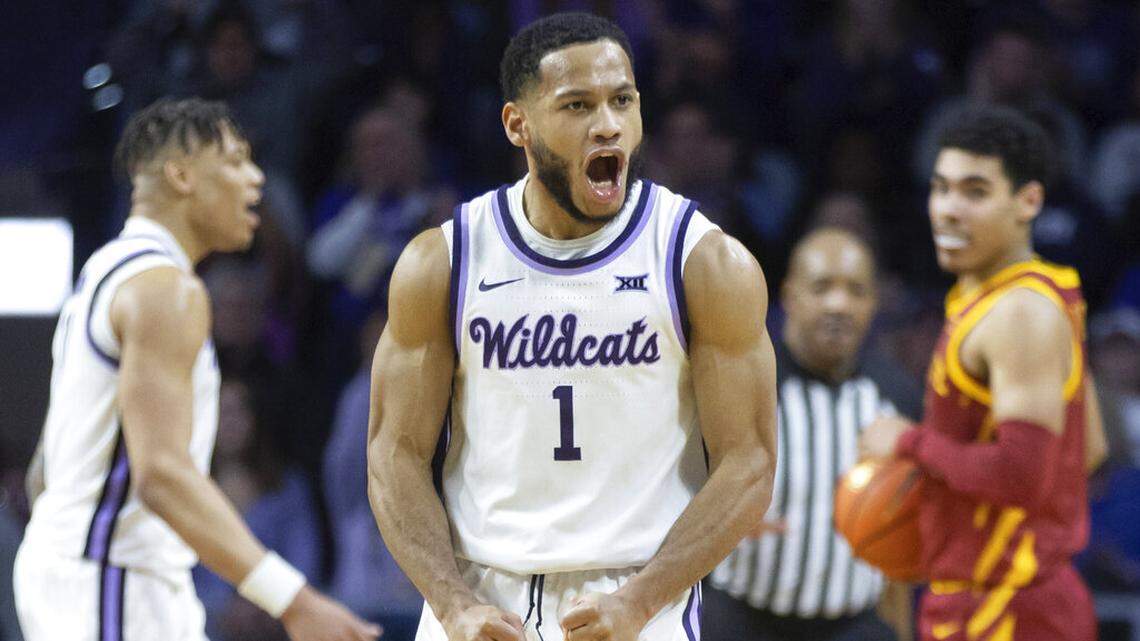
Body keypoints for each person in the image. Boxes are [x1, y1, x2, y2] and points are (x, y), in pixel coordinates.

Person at [367, 12, 778, 641]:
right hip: (480, 597)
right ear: (517, 124)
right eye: (577, 106)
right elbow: (393, 456)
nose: (608, 124)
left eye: (622, 100)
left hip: (637, 591)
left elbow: (749, 463)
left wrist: (640, 602)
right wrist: (451, 603)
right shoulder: (444, 263)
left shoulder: (703, 262)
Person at [13, 98, 379, 641]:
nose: (255, 180)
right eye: (235, 161)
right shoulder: (166, 288)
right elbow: (161, 475)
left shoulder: (104, 272)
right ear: (181, 175)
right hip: (113, 581)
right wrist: (293, 599)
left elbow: (45, 469)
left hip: (101, 576)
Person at [861, 106, 1108, 641]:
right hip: (994, 597)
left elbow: (1022, 474)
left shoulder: (1020, 313)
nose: (949, 209)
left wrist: (907, 442)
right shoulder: (1027, 294)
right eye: (941, 188)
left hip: (1008, 607)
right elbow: (1089, 447)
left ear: (1029, 202)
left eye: (975, 192)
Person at [706, 228, 919, 641]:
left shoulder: (896, 398)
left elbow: (902, 547)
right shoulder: (742, 385)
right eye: (822, 287)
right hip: (741, 617)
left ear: (873, 303)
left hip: (852, 624)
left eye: (855, 290)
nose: (838, 304)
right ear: (790, 295)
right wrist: (712, 515)